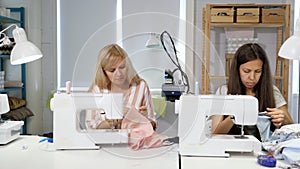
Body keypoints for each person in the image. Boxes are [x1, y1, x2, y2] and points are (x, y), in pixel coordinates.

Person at [212, 43, 293, 141]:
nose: (252, 78)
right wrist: (234, 117)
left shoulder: (272, 91)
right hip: (232, 150)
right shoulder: (224, 92)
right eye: (246, 71)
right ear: (237, 70)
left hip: (263, 151)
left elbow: (291, 127)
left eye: (258, 71)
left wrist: (282, 118)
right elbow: (215, 132)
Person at [87, 43, 157, 130]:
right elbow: (91, 125)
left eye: (122, 67)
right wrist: (116, 122)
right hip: (106, 141)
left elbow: (153, 125)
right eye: (112, 70)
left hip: (136, 142)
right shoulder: (97, 90)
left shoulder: (141, 87)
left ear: (128, 66)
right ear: (103, 71)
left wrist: (143, 119)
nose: (118, 74)